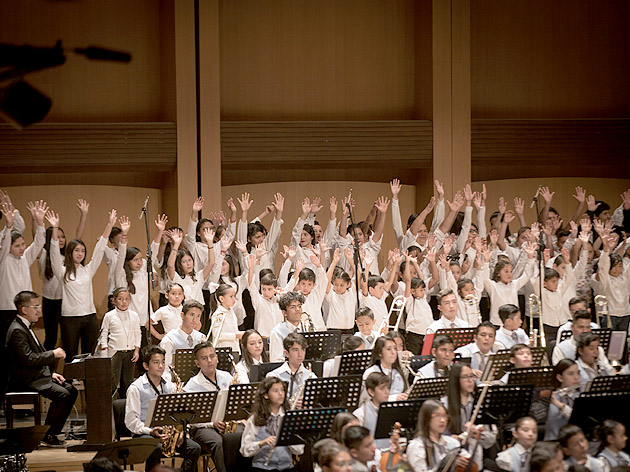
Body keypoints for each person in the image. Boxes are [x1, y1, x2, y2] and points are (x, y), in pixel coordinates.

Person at [6, 291, 77, 447]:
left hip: (35, 375)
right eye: (36, 306)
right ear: (24, 309)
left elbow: (34, 357)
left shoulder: (24, 327)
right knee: (63, 394)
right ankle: (48, 434)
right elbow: (28, 359)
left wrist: (51, 374)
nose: (39, 310)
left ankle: (53, 432)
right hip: (24, 380)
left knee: (72, 390)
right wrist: (53, 353)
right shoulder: (17, 330)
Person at [48, 209, 117, 362]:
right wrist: (54, 228)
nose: (80, 253)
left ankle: (87, 384)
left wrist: (109, 225)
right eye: (76, 250)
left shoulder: (88, 270)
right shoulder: (62, 271)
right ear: (70, 252)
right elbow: (53, 253)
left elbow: (99, 250)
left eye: (83, 251)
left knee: (90, 354)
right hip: (70, 319)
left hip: (90, 317)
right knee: (70, 353)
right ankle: (70, 383)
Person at [124, 346, 200, 472]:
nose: (161, 366)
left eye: (163, 362)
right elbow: (131, 421)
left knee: (194, 448)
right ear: (146, 366)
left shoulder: (170, 387)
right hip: (144, 434)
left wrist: (181, 432)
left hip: (167, 433)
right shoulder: (135, 388)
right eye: (156, 362)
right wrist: (150, 431)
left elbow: (180, 415)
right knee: (156, 448)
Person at [183, 341, 234, 472]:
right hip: (203, 427)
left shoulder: (226, 376)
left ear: (217, 357)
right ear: (197, 363)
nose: (209, 361)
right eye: (204, 358)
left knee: (246, 435)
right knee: (218, 442)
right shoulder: (191, 386)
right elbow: (192, 419)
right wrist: (213, 423)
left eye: (212, 356)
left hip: (226, 422)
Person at [240, 376, 303, 471]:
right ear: (266, 395)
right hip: (262, 468)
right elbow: (244, 450)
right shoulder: (255, 419)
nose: (281, 394)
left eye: (282, 390)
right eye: (275, 391)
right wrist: (261, 443)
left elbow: (300, 450)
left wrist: (288, 438)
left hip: (287, 468)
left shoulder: (289, 418)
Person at [407, 399, 480, 472]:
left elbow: (477, 466)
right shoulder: (417, 446)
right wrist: (448, 464)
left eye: (445, 416)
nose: (442, 420)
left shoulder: (452, 443)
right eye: (437, 416)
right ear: (426, 419)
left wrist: (473, 439)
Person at [98, 287, 141, 397]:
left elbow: (137, 333)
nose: (124, 302)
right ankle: (111, 408)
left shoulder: (134, 315)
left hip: (130, 352)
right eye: (121, 299)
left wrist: (137, 350)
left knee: (127, 382)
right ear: (114, 300)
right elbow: (103, 334)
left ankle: (125, 408)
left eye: (126, 299)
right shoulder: (109, 315)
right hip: (114, 353)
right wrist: (105, 349)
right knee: (112, 382)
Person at [159, 299, 206, 374]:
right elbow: (164, 369)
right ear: (182, 315)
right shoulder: (169, 340)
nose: (195, 320)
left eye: (198, 316)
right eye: (191, 315)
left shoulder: (201, 338)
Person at [267, 332, 316, 403]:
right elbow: (271, 404)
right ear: (286, 353)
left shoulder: (311, 376)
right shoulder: (273, 376)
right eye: (295, 350)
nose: (300, 354)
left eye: (303, 349)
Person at [544, 359, 580, 441]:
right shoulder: (549, 397)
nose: (576, 378)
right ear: (560, 378)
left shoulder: (579, 397)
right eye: (571, 374)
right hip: (552, 444)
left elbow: (577, 419)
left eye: (578, 373)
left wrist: (559, 405)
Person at [362, 336, 407, 402]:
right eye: (389, 349)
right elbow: (367, 399)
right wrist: (393, 398)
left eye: (395, 348)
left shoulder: (398, 371)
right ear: (380, 353)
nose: (393, 352)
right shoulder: (371, 372)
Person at [268, 291, 306, 362]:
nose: (297, 309)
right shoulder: (277, 332)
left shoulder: (307, 327)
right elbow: (276, 361)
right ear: (284, 312)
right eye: (293, 307)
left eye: (299, 306)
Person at [352, 372, 390, 442]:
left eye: (388, 387)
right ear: (371, 392)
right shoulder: (360, 414)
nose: (387, 391)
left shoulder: (391, 410)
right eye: (382, 388)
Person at [210, 284, 244, 352]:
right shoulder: (218, 314)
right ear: (221, 299)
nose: (234, 299)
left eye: (234, 296)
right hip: (224, 350)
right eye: (231, 296)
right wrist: (235, 335)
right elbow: (217, 335)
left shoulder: (231, 311)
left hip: (234, 348)